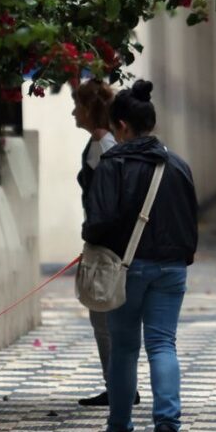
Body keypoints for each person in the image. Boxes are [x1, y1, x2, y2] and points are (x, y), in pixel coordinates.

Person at [83, 80, 200, 432]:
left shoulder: (112, 165)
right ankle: (167, 423)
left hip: (127, 268)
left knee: (124, 348)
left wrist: (92, 241)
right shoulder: (177, 165)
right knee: (163, 344)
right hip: (172, 268)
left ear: (121, 126)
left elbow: (99, 221)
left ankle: (119, 426)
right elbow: (190, 220)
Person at [72, 80, 139, 408]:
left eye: (77, 106)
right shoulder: (102, 142)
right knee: (106, 318)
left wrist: (95, 235)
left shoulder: (103, 145)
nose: (73, 112)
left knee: (104, 318)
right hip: (107, 240)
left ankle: (120, 387)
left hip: (107, 244)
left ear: (88, 110)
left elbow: (109, 199)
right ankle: (119, 385)